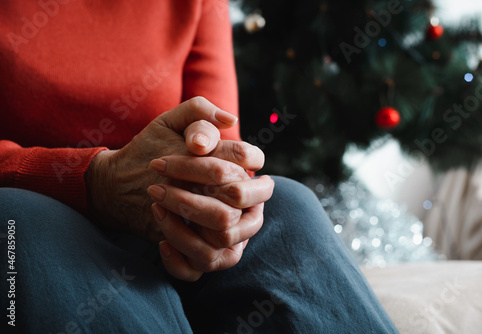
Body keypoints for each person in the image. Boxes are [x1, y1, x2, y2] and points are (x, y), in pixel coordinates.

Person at [0, 0, 398, 333]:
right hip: (37, 204)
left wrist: (222, 206)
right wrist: (94, 182)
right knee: (20, 222)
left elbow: (221, 136)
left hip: (160, 212)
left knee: (285, 205)